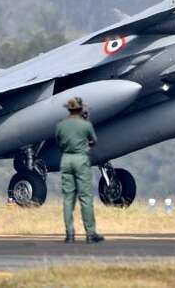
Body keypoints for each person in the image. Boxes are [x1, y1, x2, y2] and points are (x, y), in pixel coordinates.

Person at [55, 97, 105, 244]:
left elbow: (59, 142)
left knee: (68, 198)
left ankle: (69, 234)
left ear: (69, 109)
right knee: (85, 197)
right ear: (80, 109)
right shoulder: (85, 125)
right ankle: (90, 234)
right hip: (81, 159)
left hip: (66, 159)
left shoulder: (61, 125)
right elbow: (93, 140)